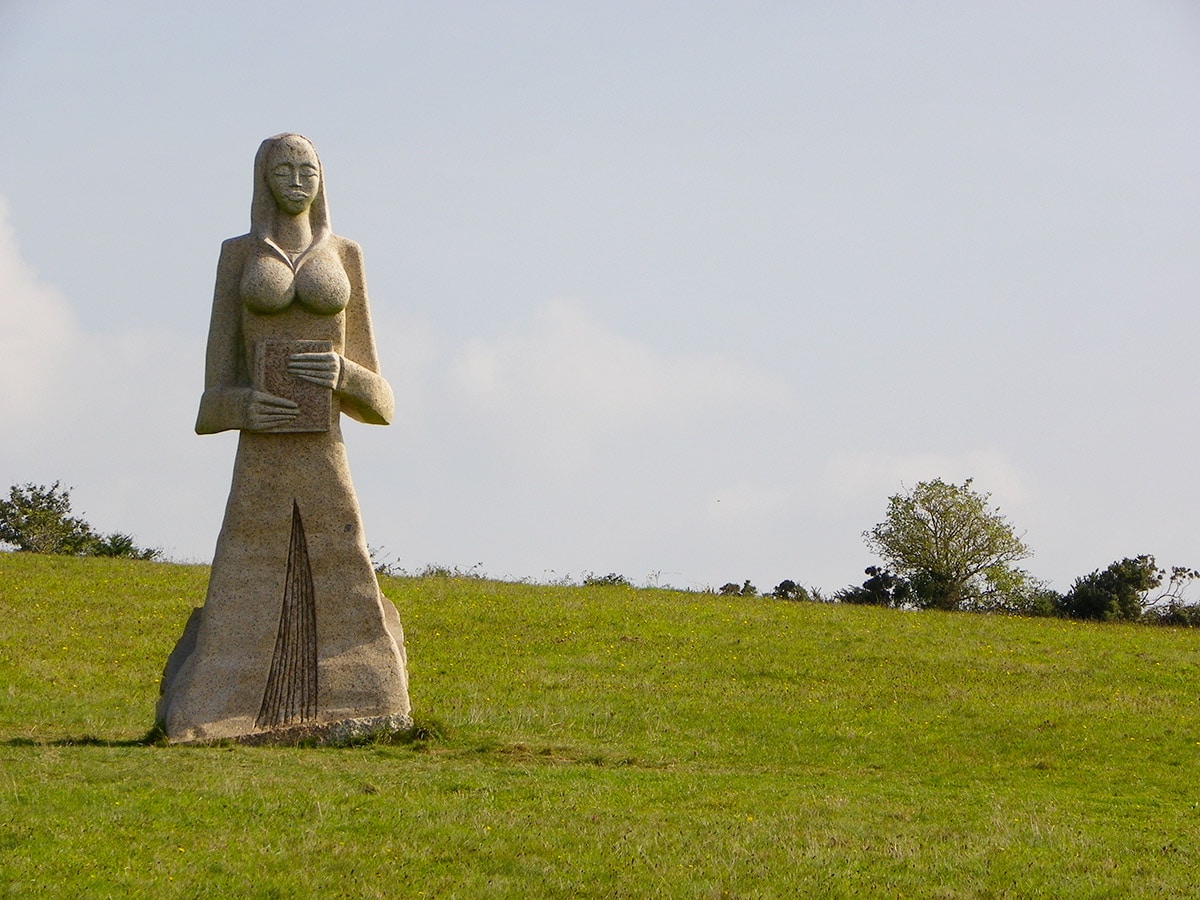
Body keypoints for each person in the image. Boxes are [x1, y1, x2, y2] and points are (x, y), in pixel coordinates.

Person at [157, 134, 411, 742]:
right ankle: (216, 711)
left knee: (341, 562)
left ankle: (361, 697)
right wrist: (245, 404)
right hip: (261, 456)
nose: (297, 180)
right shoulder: (237, 254)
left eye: (309, 169)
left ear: (323, 180)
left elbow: (381, 402)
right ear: (262, 179)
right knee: (249, 569)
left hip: (325, 452)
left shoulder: (345, 253)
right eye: (283, 169)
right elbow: (209, 401)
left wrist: (342, 373)